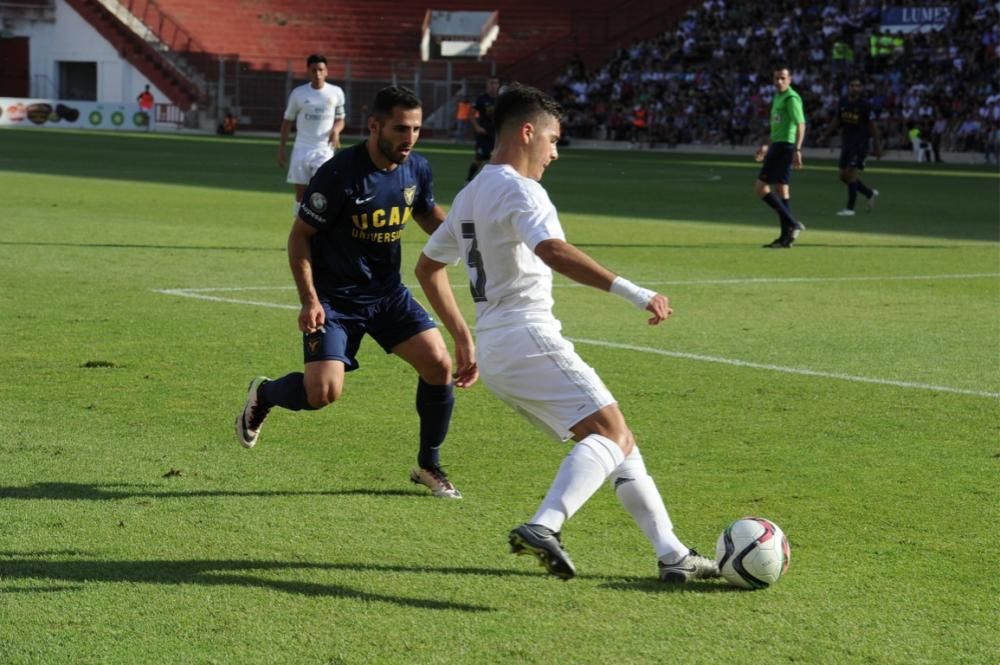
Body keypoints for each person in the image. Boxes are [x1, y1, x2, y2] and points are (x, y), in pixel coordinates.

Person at [415, 83, 719, 583]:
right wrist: (636, 293)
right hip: (526, 335)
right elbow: (552, 250)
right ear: (527, 132)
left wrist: (465, 337)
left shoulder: (470, 193)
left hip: (498, 348)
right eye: (553, 140)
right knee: (612, 433)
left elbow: (428, 268)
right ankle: (544, 525)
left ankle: (672, 554)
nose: (555, 153)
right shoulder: (521, 189)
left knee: (620, 443)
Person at [237, 86, 465, 499]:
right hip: (335, 300)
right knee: (322, 394)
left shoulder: (417, 169)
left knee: (438, 363)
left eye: (415, 128)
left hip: (387, 294)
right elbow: (299, 237)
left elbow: (427, 212)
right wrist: (309, 299)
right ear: (374, 125)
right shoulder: (340, 174)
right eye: (400, 128)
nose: (409, 137)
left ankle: (429, 464)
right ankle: (265, 393)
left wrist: (466, 244)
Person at [278, 54, 346, 212]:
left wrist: (336, 130)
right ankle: (299, 224)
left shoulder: (335, 92)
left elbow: (341, 119)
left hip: (325, 149)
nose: (318, 73)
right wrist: (281, 149)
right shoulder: (298, 93)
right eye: (314, 70)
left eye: (321, 70)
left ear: (326, 71)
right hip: (301, 148)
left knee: (323, 190)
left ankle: (319, 225)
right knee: (301, 192)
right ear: (308, 71)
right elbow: (287, 122)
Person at [754, 65, 806, 248]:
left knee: (761, 188)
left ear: (790, 79)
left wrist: (797, 150)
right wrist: (766, 146)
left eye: (783, 78)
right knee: (782, 191)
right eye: (776, 78)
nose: (779, 81)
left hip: (785, 147)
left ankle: (792, 223)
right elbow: (776, 127)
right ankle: (786, 238)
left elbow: (800, 124)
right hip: (778, 146)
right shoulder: (777, 97)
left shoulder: (792, 98)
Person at [817, 76, 881, 217]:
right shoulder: (843, 101)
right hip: (847, 143)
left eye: (857, 85)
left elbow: (872, 126)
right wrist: (824, 135)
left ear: (861, 88)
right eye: (852, 85)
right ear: (848, 87)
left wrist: (877, 146)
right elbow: (837, 120)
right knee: (843, 176)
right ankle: (869, 193)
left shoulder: (865, 105)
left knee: (850, 175)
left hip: (860, 145)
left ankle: (850, 209)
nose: (855, 88)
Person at [466, 76, 500, 182]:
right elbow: (471, 114)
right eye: (491, 83)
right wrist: (477, 127)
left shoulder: (501, 99)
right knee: (479, 159)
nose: (493, 86)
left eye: (495, 83)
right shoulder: (482, 98)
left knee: (496, 159)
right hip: (484, 134)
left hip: (496, 134)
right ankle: (468, 180)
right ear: (487, 85)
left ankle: (492, 182)